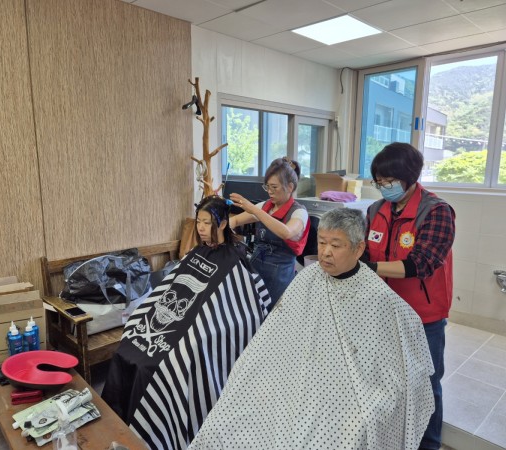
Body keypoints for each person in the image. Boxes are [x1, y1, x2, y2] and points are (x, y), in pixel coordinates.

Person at [189, 208, 435, 450]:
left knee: (346, 432)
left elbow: (395, 365)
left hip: (345, 390)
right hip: (294, 375)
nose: (326, 252)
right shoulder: (307, 278)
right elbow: (274, 336)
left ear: (359, 249)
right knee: (234, 408)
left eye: (336, 245)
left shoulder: (378, 297)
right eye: (322, 242)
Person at [102, 195, 271, 450]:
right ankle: (118, 422)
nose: (200, 228)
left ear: (222, 223)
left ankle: (156, 434)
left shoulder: (235, 260)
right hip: (167, 325)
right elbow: (169, 289)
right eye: (198, 221)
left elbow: (242, 306)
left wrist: (198, 332)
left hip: (201, 331)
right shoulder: (196, 252)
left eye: (207, 222)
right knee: (127, 347)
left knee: (160, 365)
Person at [362, 142, 455, 450]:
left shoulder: (436, 211)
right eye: (379, 181)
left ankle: (429, 444)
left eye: (390, 181)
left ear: (411, 177)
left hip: (422, 316)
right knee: (388, 379)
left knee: (425, 384)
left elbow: (422, 263)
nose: (384, 187)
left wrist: (370, 267)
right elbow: (366, 250)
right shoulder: (376, 210)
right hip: (384, 311)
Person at [229, 156, 310, 309]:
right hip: (256, 267)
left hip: (280, 276)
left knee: (270, 314)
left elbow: (286, 232)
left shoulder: (299, 212)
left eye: (274, 187)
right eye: (267, 187)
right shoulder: (266, 206)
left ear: (290, 187)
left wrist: (254, 210)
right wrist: (218, 224)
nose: (270, 192)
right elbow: (236, 220)